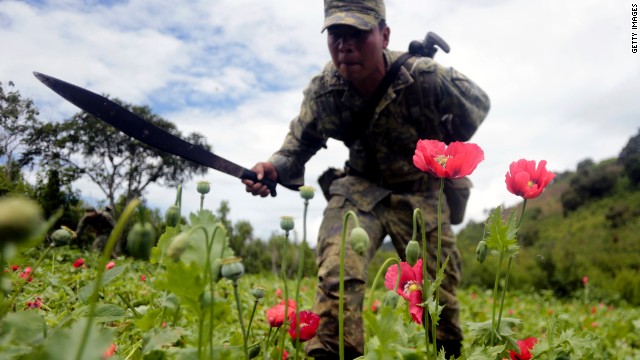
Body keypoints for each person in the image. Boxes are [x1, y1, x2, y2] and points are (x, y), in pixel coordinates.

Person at [243, 0, 490, 358]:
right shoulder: (324, 91)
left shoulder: (426, 77)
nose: (345, 46)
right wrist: (274, 167)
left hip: (421, 191)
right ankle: (331, 350)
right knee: (338, 269)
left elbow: (477, 105)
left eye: (358, 34)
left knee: (439, 294)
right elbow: (300, 142)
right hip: (360, 188)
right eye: (336, 35)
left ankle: (445, 352)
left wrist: (446, 135)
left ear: (384, 35)